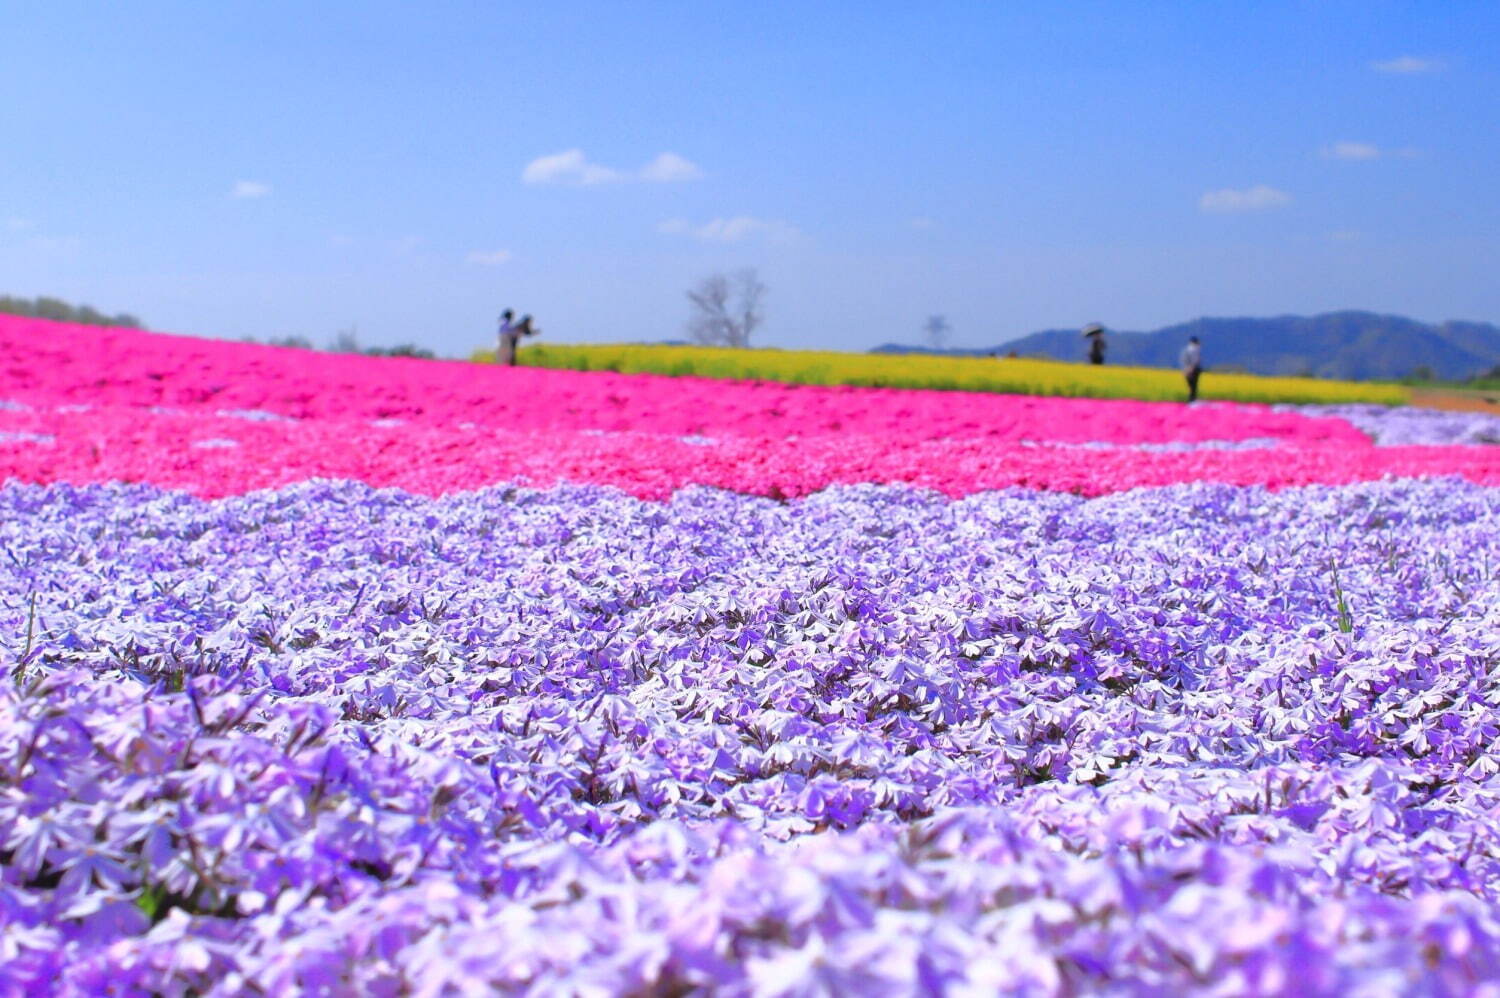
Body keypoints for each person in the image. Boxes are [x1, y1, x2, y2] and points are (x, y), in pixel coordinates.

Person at [1180, 335, 1203, 402]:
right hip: (1193, 369)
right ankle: (1192, 399)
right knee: (1193, 386)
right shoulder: (1194, 349)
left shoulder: (1189, 349)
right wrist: (1190, 368)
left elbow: (1184, 360)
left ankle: (1191, 399)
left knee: (1191, 386)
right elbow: (1196, 360)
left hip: (1190, 369)